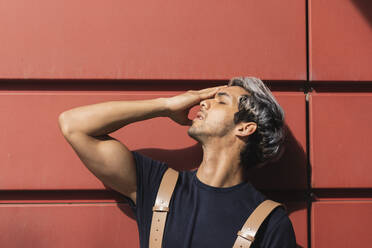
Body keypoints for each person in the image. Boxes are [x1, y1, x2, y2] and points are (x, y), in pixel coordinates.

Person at [58, 76, 297, 247]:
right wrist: (166, 105)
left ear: (245, 127)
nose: (203, 102)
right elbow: (73, 125)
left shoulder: (270, 223)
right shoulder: (160, 187)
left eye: (221, 101)